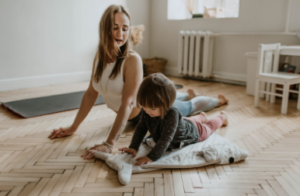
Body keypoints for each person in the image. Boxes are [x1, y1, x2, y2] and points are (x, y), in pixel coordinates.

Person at [48, 5, 228, 158]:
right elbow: (90, 93)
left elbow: (127, 104)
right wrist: (73, 127)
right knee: (177, 99)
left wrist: (109, 144)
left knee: (189, 107)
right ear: (105, 28)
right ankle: (185, 95)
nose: (120, 33)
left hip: (149, 112)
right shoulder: (100, 57)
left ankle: (217, 101)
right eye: (115, 27)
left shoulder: (131, 59)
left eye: (125, 28)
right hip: (139, 109)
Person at [118, 73, 228, 166]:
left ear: (166, 104)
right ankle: (202, 116)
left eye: (151, 108)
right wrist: (133, 147)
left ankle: (222, 117)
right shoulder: (148, 111)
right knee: (189, 120)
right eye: (144, 107)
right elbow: (141, 128)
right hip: (183, 122)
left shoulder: (172, 113)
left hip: (194, 131)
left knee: (209, 127)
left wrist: (151, 157)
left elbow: (166, 138)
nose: (147, 111)